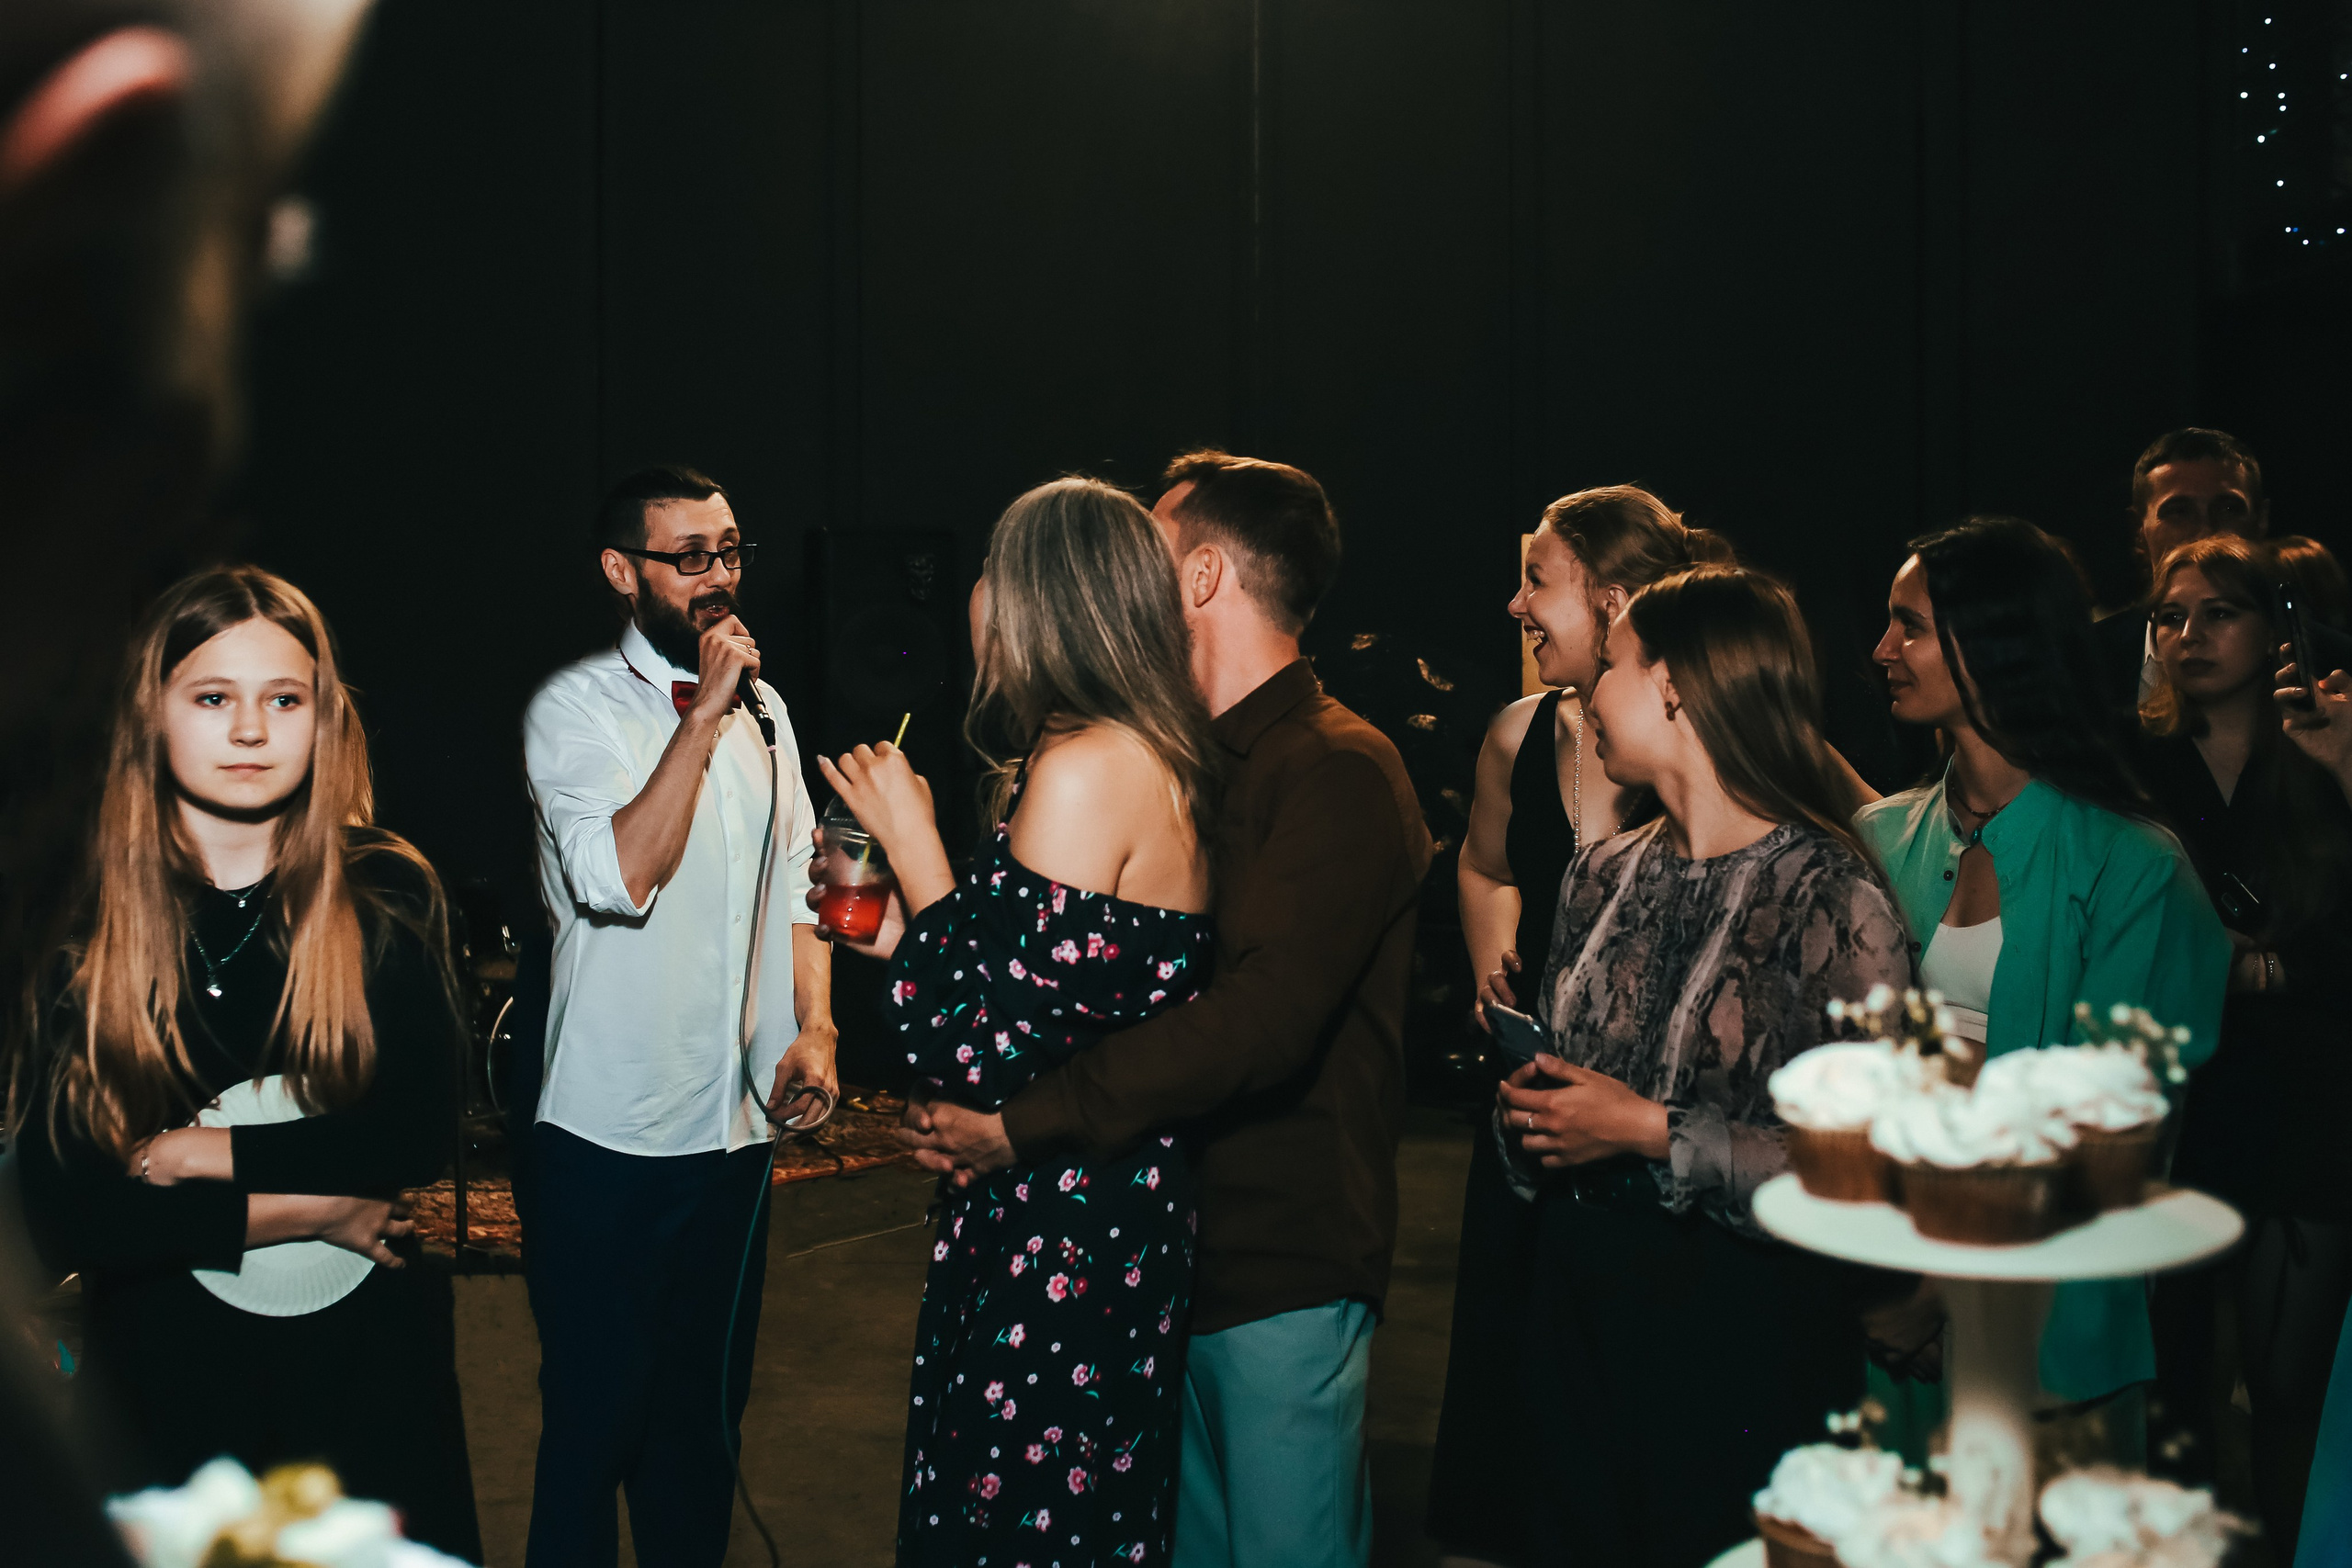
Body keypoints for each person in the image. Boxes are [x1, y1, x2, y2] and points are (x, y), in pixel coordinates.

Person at [893, 451, 1431, 1568]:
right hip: (1162, 1245)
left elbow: (1261, 1021)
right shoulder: (1186, 759)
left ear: (1195, 577)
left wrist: (1020, 1122)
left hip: (1280, 1259)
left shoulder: (1336, 766)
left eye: (1144, 543)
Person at [11, 566, 479, 1556]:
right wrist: (313, 1206)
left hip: (360, 1380)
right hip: (170, 1388)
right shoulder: (83, 924)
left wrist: (199, 1155)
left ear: (323, 718)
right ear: (154, 715)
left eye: (284, 699)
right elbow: (68, 1211)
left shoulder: (386, 890)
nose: (252, 731)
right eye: (214, 698)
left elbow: (414, 1131)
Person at [812, 476, 1218, 1566]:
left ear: (1046, 598)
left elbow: (973, 1046)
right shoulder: (1127, 750)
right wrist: (905, 938)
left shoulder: (1086, 771)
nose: (976, 590)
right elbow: (1037, 991)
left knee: (1014, 1532)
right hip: (1081, 1209)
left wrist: (914, 841)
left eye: (997, 565)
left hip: (1063, 1232)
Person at [1493, 564, 1910, 1568]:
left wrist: (1647, 1130)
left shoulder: (1830, 894)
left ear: (1674, 683)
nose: (1589, 690)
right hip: (1578, 1301)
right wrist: (1529, 1095)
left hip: (1739, 1330)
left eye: (1616, 664)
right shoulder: (1598, 872)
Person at [520, 465, 838, 1568]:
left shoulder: (771, 710)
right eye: (688, 555)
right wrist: (702, 715)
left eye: (732, 551)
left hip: (733, 1141)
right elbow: (619, 873)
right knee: (593, 1435)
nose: (718, 578)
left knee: (701, 1440)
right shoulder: (574, 711)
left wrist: (818, 1028)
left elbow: (802, 882)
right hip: (607, 1143)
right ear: (622, 572)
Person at [1859, 515, 2230, 1461]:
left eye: (1909, 626)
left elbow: (2103, 1134)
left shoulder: (2132, 869)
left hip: (2045, 1332)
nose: (1880, 650)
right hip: (1882, 1312)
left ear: (1994, 642)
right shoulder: (1877, 839)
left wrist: (1936, 1292)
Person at [1432, 483, 1725, 1566]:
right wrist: (1488, 974)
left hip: (1658, 1134)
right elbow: (1481, 864)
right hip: (1531, 1110)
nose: (1514, 604)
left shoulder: (1709, 750)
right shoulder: (1520, 733)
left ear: (1614, 602)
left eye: (1537, 580)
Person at [2128, 536, 2352, 1557]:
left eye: (2219, 612)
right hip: (2172, 1109)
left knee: (2285, 1393)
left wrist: (2252, 969)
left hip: (2299, 1108)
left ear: (2278, 629)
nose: (2189, 635)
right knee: (2166, 1392)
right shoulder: (2138, 765)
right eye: (2171, 616)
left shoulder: (2318, 751)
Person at [2091, 428, 2269, 713]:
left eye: (2227, 508)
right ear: (2138, 530)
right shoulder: (2083, 664)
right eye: (2178, 511)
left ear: (2261, 521)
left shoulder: (2332, 665)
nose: (2206, 531)